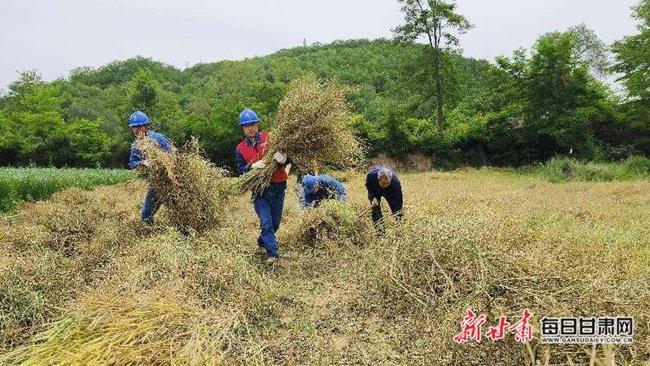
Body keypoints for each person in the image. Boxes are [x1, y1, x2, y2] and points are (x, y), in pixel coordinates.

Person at [235, 108, 288, 264]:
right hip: (260, 192)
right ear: (243, 128)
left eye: (252, 124)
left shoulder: (270, 137)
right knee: (266, 223)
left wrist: (283, 159)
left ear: (257, 125)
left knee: (275, 223)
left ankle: (263, 240)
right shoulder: (240, 148)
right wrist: (251, 167)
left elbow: (286, 158)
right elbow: (241, 170)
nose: (250, 128)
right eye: (246, 126)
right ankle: (273, 254)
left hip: (278, 186)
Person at [128, 110, 172, 224]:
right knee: (146, 216)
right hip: (157, 183)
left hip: (172, 179)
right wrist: (143, 162)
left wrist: (163, 161)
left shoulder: (158, 138)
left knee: (182, 208)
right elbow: (132, 163)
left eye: (139, 126)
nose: (136, 129)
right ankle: (149, 232)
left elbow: (173, 154)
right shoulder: (136, 146)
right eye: (134, 127)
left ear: (146, 126)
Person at [365, 165, 403, 235]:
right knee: (375, 209)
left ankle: (399, 230)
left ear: (390, 180)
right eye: (383, 183)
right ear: (378, 179)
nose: (385, 185)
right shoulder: (371, 176)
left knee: (396, 210)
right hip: (375, 189)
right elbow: (369, 186)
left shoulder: (395, 183)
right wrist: (372, 197)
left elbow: (398, 204)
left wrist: (398, 224)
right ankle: (380, 232)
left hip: (391, 190)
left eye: (387, 183)